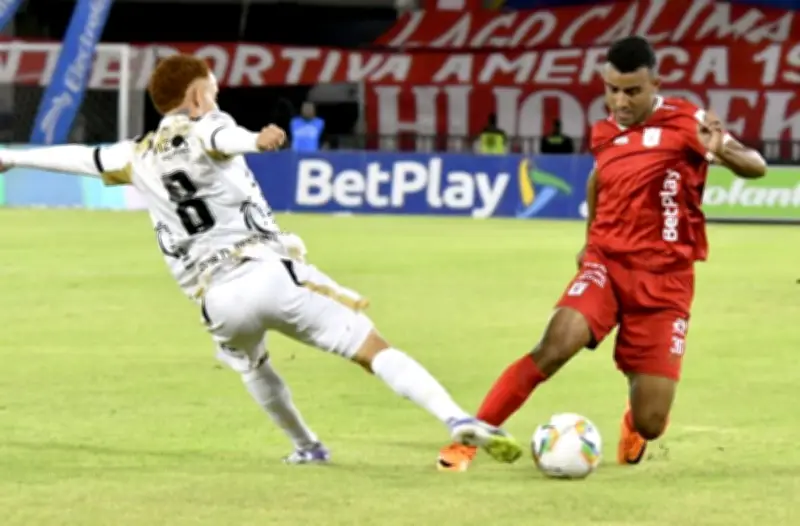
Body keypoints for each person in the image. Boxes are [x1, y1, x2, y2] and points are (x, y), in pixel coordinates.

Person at [0, 54, 523, 467]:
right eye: (214, 88)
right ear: (197, 95)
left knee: (252, 364)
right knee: (370, 346)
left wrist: (14, 156)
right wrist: (255, 139)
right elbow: (220, 137)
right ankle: (456, 419)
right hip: (267, 271)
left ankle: (307, 446)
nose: (218, 95)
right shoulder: (207, 123)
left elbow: (80, 158)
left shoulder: (133, 154)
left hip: (217, 300)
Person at [436, 36, 767, 472]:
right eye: (611, 89)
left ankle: (633, 423)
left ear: (655, 84)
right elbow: (598, 181)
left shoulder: (689, 120)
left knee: (652, 421)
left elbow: (755, 166)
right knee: (555, 345)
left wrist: (719, 147)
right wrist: (590, 241)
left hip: (666, 281)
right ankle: (470, 440)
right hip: (607, 265)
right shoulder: (604, 131)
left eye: (631, 91)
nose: (619, 100)